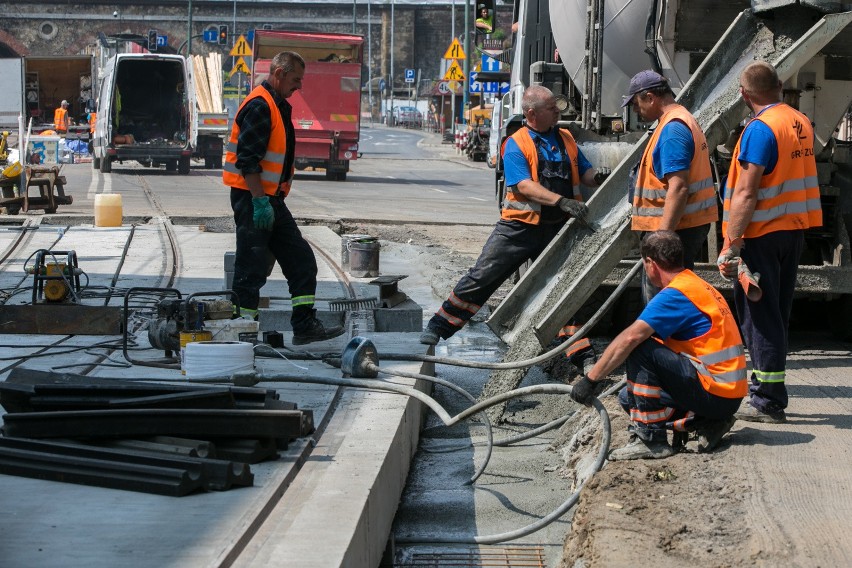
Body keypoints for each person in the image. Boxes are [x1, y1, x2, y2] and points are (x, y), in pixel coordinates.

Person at [420, 85, 608, 348]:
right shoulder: (516, 143)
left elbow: (585, 172)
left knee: (565, 287)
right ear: (532, 113)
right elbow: (523, 185)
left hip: (556, 228)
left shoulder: (565, 138)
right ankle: (438, 326)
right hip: (519, 229)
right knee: (483, 276)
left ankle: (574, 351)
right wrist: (561, 201)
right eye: (552, 109)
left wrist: (598, 176)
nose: (558, 113)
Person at [571, 231, 747, 460]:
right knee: (629, 397)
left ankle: (652, 440)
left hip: (716, 393)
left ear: (651, 263)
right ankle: (708, 423)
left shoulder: (676, 295)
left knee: (640, 347)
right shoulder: (694, 285)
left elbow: (630, 338)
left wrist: (590, 380)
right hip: (726, 397)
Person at [718, 61, 822, 423]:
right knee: (776, 312)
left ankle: (768, 399)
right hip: (791, 230)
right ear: (779, 86)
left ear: (744, 95)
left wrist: (732, 242)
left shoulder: (760, 130)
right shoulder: (799, 121)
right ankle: (768, 389)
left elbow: (746, 193)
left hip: (761, 235)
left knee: (760, 315)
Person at [222, 51, 343, 346]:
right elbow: (247, 160)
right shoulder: (260, 106)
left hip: (270, 199)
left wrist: (268, 200)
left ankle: (304, 326)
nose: (299, 86)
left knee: (301, 260)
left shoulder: (277, 105)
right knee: (251, 267)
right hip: (253, 198)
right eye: (296, 79)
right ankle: (242, 331)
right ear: (279, 73)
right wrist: (260, 201)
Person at [622, 70, 717, 303]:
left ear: (651, 97)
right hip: (683, 226)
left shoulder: (672, 130)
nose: (636, 110)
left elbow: (679, 187)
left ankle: (664, 340)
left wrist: (663, 237)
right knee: (675, 297)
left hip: (674, 228)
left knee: (663, 301)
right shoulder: (677, 121)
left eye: (636, 103)